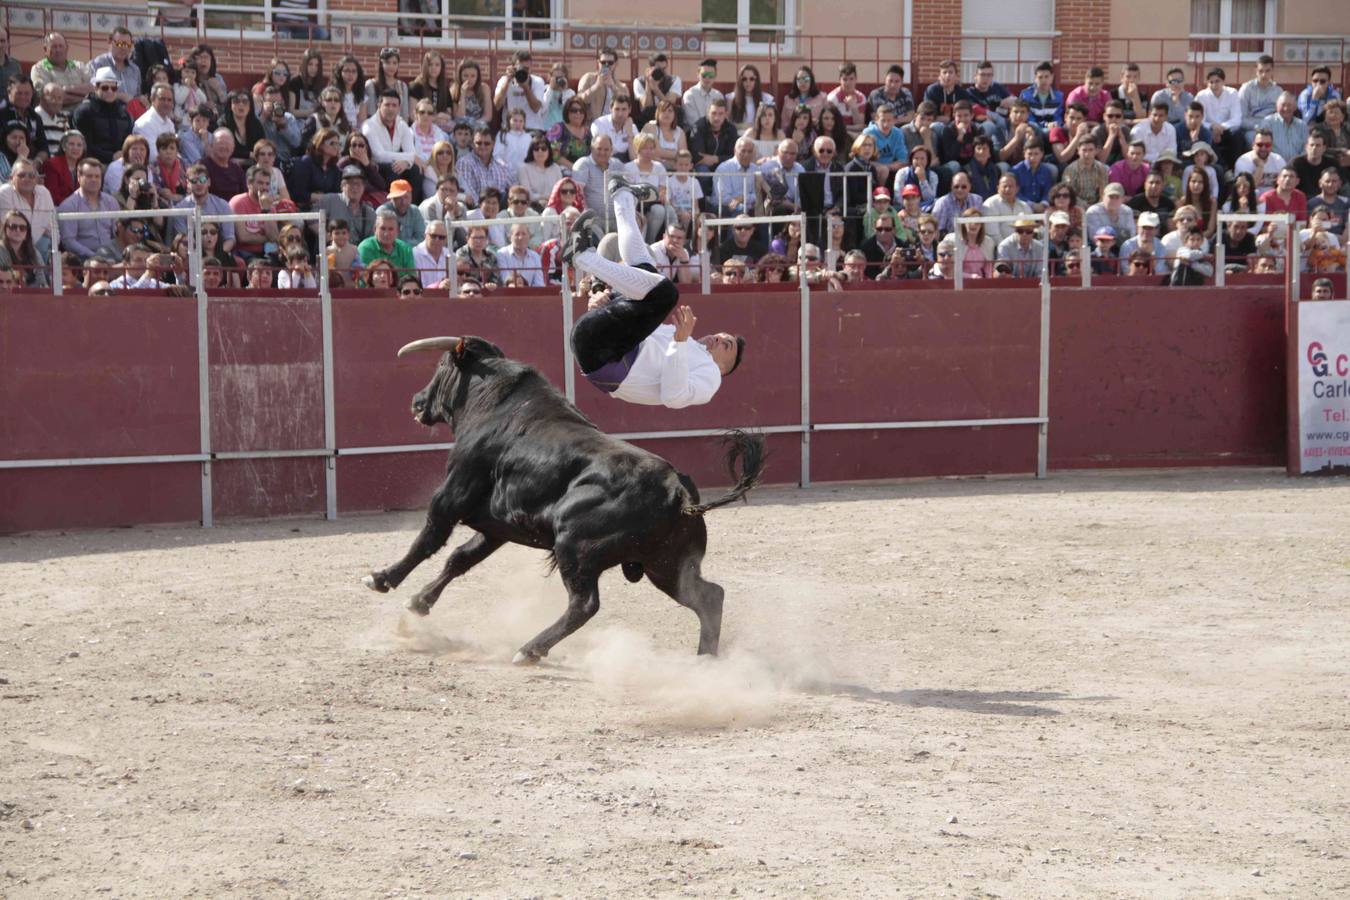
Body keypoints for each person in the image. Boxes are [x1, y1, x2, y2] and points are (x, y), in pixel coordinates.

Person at [566, 174, 745, 407]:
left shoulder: (710, 377)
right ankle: (622, 195)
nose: (719, 338)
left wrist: (679, 342)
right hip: (599, 341)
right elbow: (633, 320)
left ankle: (582, 257)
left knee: (667, 294)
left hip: (606, 358)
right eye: (723, 336)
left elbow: (673, 397)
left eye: (726, 345)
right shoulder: (681, 341)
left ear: (723, 368)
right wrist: (606, 304)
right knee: (646, 269)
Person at [56, 158, 120, 260]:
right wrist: (95, 257)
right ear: (79, 177)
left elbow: (117, 234)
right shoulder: (69, 206)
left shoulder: (111, 202)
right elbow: (69, 242)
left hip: (112, 257)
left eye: (97, 176)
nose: (94, 180)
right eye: (89, 176)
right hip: (83, 260)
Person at [454, 124, 514, 206]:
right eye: (479, 143)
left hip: (500, 211)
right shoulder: (464, 163)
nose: (483, 146)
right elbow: (470, 195)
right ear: (472, 143)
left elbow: (513, 189)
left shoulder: (501, 165)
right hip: (477, 211)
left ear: (493, 144)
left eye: (487, 143)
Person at [30, 33, 91, 112]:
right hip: (57, 117)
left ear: (67, 48)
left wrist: (65, 89)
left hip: (83, 115)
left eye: (61, 46)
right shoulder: (39, 69)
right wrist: (85, 96)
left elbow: (93, 88)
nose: (58, 50)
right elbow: (49, 98)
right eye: (54, 47)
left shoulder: (79, 66)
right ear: (45, 49)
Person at [1195, 68, 1242, 166]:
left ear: (1223, 82)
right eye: (1211, 82)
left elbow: (1237, 118)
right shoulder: (1201, 96)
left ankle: (1236, 168)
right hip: (1209, 129)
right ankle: (1223, 169)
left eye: (1217, 81)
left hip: (1227, 129)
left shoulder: (1232, 93)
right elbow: (1198, 119)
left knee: (1238, 135)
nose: (1214, 85)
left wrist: (1221, 127)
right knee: (1207, 136)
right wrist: (1212, 127)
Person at [493, 49, 546, 132]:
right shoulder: (504, 81)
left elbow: (536, 108)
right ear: (513, 67)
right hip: (510, 128)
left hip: (532, 127)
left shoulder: (537, 82)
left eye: (526, 69)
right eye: (520, 68)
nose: (523, 72)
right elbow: (497, 105)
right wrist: (507, 81)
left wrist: (526, 87)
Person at [1239, 55, 1281, 146]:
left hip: (1273, 128)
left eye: (1267, 71)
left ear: (1272, 71)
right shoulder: (1246, 89)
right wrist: (1259, 126)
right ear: (1256, 71)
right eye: (1260, 71)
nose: (1264, 75)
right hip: (1253, 129)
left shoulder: (1278, 91)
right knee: (1257, 141)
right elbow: (1241, 119)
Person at [495, 221, 544, 286]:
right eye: (517, 234)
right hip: (509, 294)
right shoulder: (502, 254)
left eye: (524, 234)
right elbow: (505, 280)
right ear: (510, 237)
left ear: (529, 236)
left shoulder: (535, 256)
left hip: (530, 295)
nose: (520, 237)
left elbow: (539, 284)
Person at [412, 219, 452, 288]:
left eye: (441, 237)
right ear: (425, 235)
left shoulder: (449, 254)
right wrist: (437, 286)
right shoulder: (414, 254)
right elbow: (416, 286)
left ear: (446, 239)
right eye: (433, 236)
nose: (437, 240)